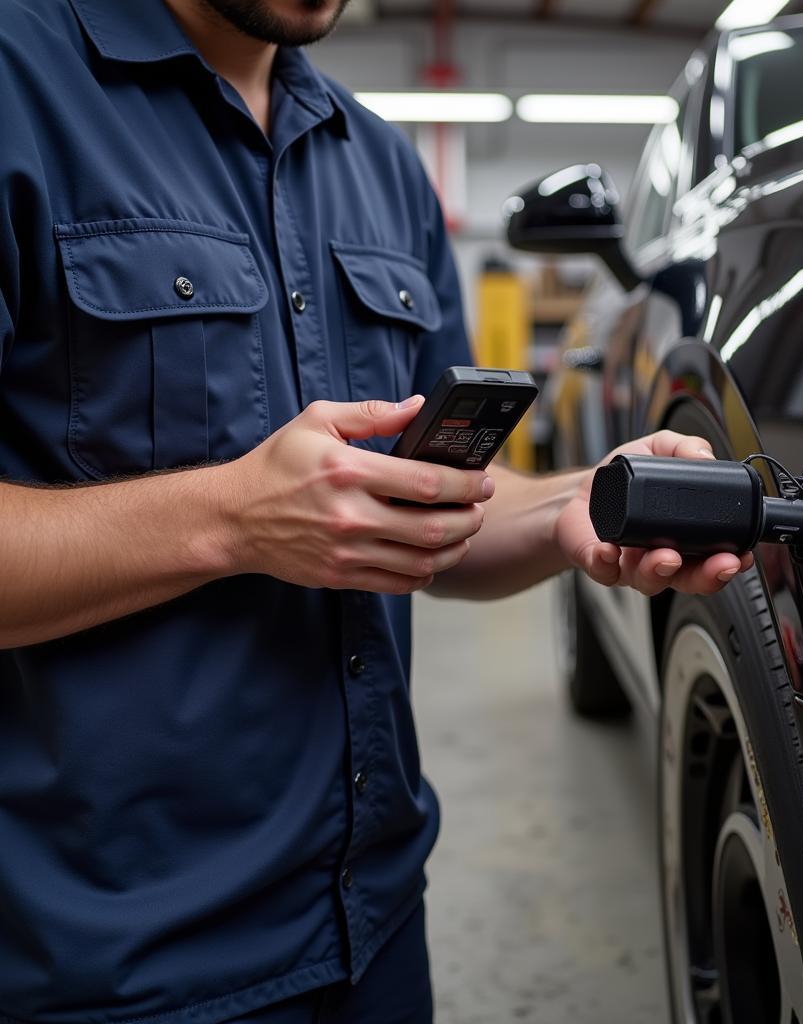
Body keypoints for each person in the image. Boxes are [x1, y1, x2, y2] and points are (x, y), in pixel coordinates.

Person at [0, 1, 752, 1021]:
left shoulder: (380, 164)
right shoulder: (21, 85)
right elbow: (274, 515)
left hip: (375, 924)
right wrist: (231, 517)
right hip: (117, 965)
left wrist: (582, 500)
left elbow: (421, 509)